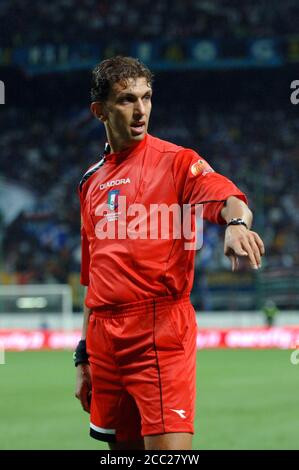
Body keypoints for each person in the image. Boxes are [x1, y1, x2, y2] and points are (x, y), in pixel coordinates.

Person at [74, 56, 265, 451]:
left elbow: (226, 197)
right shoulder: (90, 182)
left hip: (158, 331)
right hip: (103, 343)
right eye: (127, 99)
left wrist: (236, 225)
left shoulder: (177, 162)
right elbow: (93, 277)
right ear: (100, 111)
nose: (141, 109)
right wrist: (83, 356)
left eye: (146, 97)